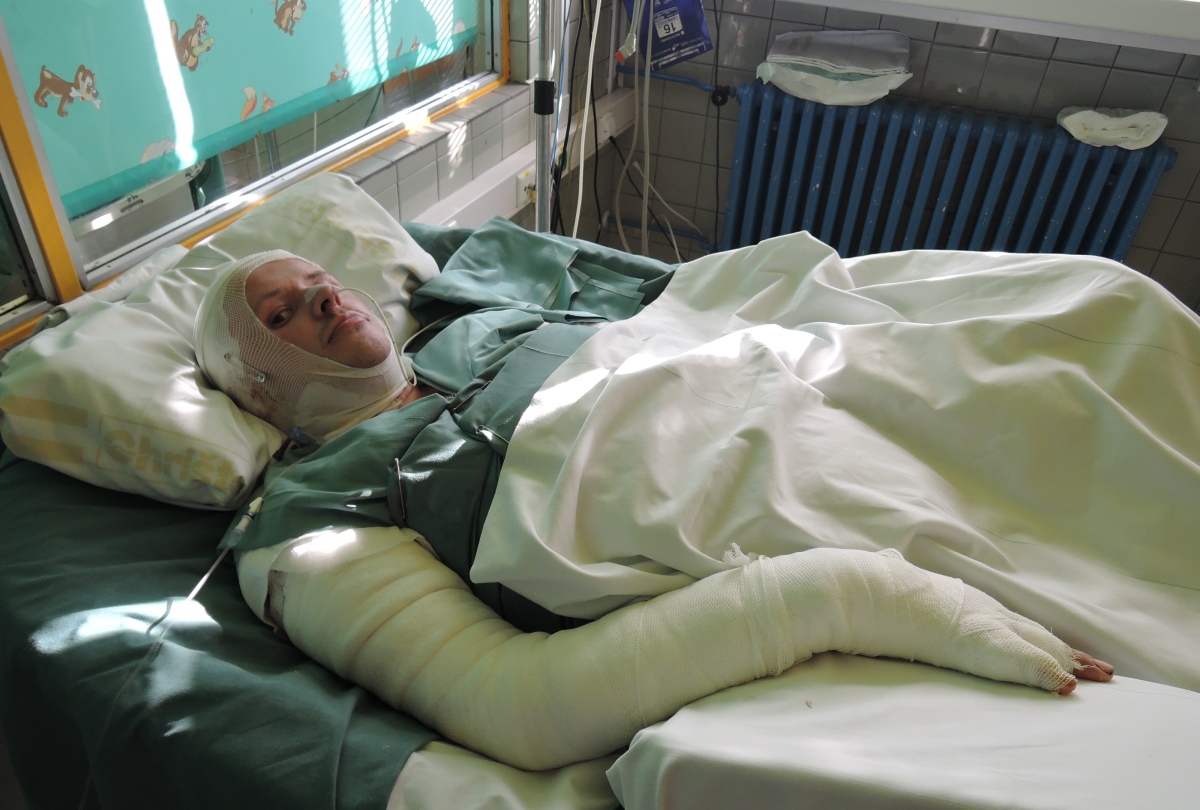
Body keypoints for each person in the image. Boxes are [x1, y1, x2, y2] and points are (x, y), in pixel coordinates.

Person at [194, 250, 1114, 771]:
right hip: (722, 487)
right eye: (281, 314)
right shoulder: (308, 510)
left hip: (779, 374)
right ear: (257, 383)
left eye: (319, 279)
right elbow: (517, 705)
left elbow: (691, 308)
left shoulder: (469, 326)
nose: (323, 296)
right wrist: (842, 593)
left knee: (1097, 313)